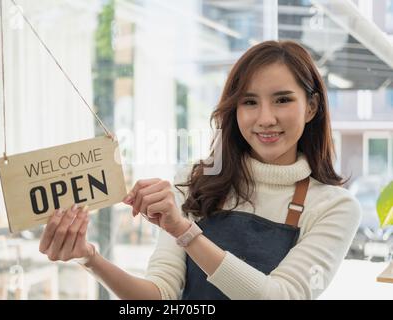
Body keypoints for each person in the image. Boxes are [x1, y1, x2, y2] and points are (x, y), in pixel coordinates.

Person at [38, 40, 362, 300]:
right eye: (249, 102)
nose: (265, 118)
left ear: (312, 107)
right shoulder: (195, 182)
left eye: (282, 100)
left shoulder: (333, 207)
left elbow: (279, 296)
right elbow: (160, 295)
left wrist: (184, 231)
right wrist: (88, 258)